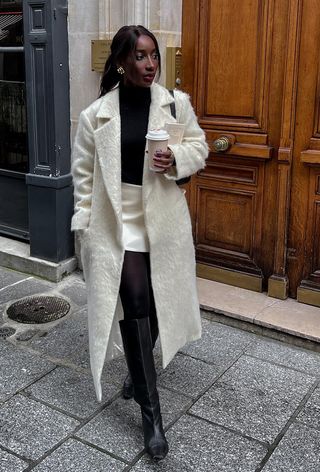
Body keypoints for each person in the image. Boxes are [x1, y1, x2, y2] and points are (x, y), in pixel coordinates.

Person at [71, 25, 208, 461]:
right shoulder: (96, 115)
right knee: (133, 299)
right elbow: (84, 178)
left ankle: (137, 370)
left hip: (161, 219)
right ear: (120, 61)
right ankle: (152, 418)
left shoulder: (174, 104)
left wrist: (177, 160)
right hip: (117, 221)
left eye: (154, 57)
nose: (150, 65)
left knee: (150, 299)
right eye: (141, 57)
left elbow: (199, 147)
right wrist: (85, 228)